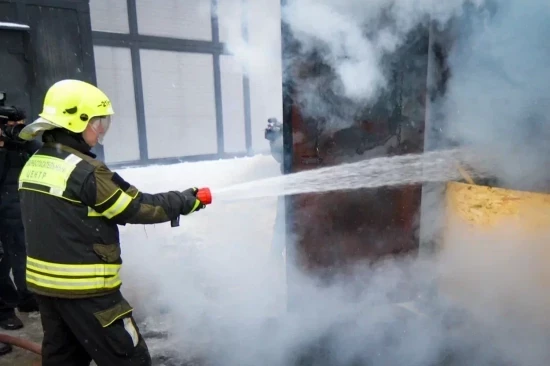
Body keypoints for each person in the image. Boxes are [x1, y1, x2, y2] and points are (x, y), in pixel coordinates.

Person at [17, 79, 207, 366]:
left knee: (63, 358)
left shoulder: (35, 162)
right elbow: (136, 208)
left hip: (47, 288)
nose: (101, 128)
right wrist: (185, 200)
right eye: (97, 121)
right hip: (88, 291)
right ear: (76, 121)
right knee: (129, 358)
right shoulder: (84, 172)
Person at [0, 105, 41, 335]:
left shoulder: (23, 145)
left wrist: (22, 141)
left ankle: (26, 297)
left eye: (22, 126)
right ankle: (5, 310)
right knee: (1, 263)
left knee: (21, 254)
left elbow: (41, 152)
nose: (19, 131)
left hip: (16, 210)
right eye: (13, 127)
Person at [264, 117, 286, 260]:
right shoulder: (280, 140)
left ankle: (275, 255)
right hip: (289, 185)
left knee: (283, 221)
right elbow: (280, 156)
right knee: (283, 221)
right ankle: (275, 256)